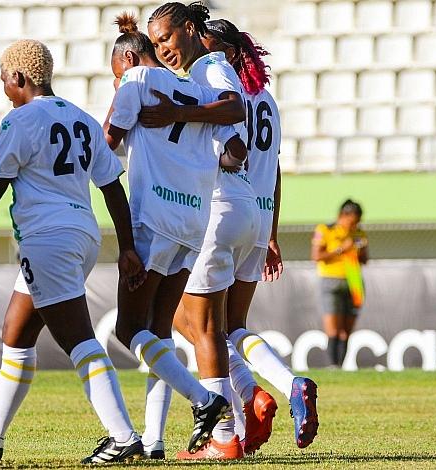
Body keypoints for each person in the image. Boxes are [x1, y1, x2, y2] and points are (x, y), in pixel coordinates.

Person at [0, 39, 145, 465]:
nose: (4, 90)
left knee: (79, 341)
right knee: (16, 332)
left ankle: (124, 437)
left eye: (4, 81)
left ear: (19, 77)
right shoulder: (83, 119)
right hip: (81, 235)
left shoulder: (21, 120)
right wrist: (125, 246)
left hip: (47, 239)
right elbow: (112, 189)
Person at [144, 2, 318, 457]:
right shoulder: (269, 101)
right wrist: (273, 230)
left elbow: (234, 140)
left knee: (197, 326)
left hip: (221, 209)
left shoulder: (212, 72)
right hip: (256, 217)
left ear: (207, 39)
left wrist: (178, 127)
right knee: (224, 326)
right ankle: (264, 392)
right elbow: (272, 166)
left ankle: (227, 432)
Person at [106, 13, 247, 458]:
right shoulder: (194, 87)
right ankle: (153, 441)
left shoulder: (139, 80)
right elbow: (234, 123)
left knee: (127, 331)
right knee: (159, 332)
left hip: (152, 221)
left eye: (116, 75)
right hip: (192, 222)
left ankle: (207, 400)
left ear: (128, 59)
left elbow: (104, 143)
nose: (117, 83)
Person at [312, 199, 368, 367]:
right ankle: (332, 365)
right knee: (333, 329)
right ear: (342, 216)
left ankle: (340, 367)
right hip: (331, 281)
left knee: (346, 332)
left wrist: (361, 250)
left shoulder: (359, 233)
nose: (353, 226)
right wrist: (341, 249)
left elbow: (365, 260)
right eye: (352, 221)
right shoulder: (325, 230)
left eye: (357, 222)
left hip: (353, 282)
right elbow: (317, 256)